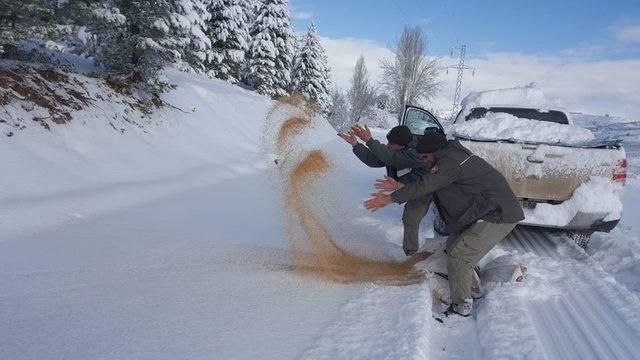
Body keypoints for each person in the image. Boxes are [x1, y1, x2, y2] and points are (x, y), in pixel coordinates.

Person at [363, 130, 524, 317]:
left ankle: (462, 305)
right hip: (485, 210)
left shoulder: (451, 161)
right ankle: (470, 288)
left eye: (425, 156)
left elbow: (427, 184)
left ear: (435, 151)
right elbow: (428, 184)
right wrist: (401, 187)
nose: (424, 160)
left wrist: (390, 199)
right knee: (451, 248)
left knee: (460, 255)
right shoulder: (448, 157)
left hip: (498, 214)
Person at [337, 124, 432, 256]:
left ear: (401, 145)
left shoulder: (416, 153)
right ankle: (411, 252)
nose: (388, 145)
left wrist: (369, 141)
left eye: (391, 143)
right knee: (409, 219)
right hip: (402, 187)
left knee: (411, 218)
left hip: (422, 189)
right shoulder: (394, 150)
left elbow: (391, 158)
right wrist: (356, 145)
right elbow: (374, 160)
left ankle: (413, 254)